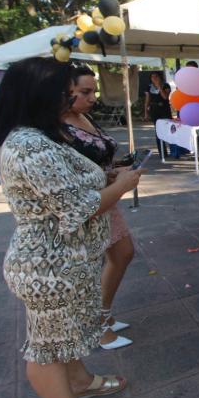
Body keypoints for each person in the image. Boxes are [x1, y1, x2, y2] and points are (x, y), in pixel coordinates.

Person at [0, 57, 144, 398]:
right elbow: (78, 208)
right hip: (48, 266)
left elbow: (69, 187)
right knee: (46, 348)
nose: (71, 96)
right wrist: (122, 185)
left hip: (65, 261)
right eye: (63, 90)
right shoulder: (27, 144)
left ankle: (80, 382)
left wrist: (107, 177)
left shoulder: (42, 135)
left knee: (64, 334)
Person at [62, 64, 135, 351]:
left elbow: (97, 161)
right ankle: (96, 325)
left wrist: (117, 170)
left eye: (94, 91)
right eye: (85, 92)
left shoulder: (82, 117)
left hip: (107, 195)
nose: (92, 97)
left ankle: (102, 315)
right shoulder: (56, 130)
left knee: (123, 254)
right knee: (94, 267)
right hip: (88, 206)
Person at [143, 71, 172, 156]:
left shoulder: (166, 85)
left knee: (169, 130)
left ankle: (174, 150)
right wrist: (146, 113)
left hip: (164, 109)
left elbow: (165, 97)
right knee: (158, 131)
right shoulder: (149, 87)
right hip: (154, 110)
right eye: (152, 77)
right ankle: (162, 153)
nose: (154, 78)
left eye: (156, 76)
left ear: (160, 77)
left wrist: (159, 86)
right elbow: (147, 101)